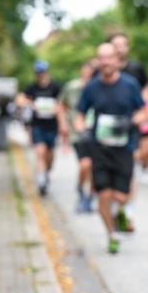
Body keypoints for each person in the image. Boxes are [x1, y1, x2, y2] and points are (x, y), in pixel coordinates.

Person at [76, 43, 146, 254]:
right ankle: (112, 234)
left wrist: (131, 122)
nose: (105, 62)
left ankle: (119, 211)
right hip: (100, 148)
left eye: (109, 57)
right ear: (98, 61)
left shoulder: (130, 85)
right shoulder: (92, 87)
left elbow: (144, 112)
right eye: (101, 58)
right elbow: (80, 114)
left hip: (124, 147)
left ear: (117, 60)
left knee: (122, 196)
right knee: (103, 195)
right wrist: (82, 130)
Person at [20, 60, 64, 196]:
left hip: (52, 125)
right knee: (40, 152)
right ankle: (42, 182)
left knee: (49, 155)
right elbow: (19, 99)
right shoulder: (32, 88)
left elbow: (62, 104)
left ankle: (46, 171)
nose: (40, 75)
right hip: (37, 125)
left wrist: (61, 122)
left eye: (42, 72)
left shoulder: (55, 87)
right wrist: (32, 104)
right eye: (38, 72)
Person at [60, 60, 97, 212]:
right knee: (85, 165)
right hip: (78, 133)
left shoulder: (98, 88)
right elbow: (61, 105)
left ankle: (89, 197)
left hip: (97, 133)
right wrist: (63, 124)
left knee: (95, 169)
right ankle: (81, 190)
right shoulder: (72, 87)